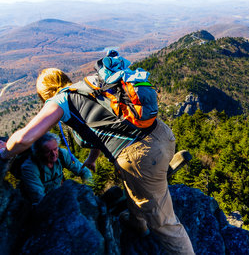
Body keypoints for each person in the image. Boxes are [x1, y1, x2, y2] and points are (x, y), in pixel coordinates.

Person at [0, 65, 194, 254]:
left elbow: (24, 138)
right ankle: (138, 221)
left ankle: (153, 195)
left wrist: (3, 154)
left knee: (165, 224)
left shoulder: (60, 101)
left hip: (141, 156)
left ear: (44, 94)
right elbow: (103, 127)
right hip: (162, 135)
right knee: (132, 182)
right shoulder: (89, 84)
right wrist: (92, 159)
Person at [19, 132, 92, 204]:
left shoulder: (62, 154)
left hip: (57, 197)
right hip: (37, 206)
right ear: (39, 152)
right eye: (48, 151)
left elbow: (84, 171)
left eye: (55, 149)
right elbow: (39, 198)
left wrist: (89, 192)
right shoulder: (30, 168)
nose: (54, 154)